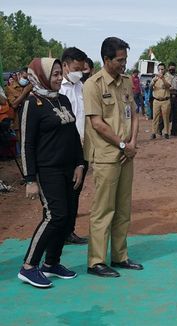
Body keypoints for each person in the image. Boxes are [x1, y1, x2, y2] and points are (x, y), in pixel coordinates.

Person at [17, 57, 84, 288]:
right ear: (42, 76)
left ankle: (51, 263)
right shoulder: (31, 104)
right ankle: (28, 267)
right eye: (54, 74)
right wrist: (29, 179)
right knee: (54, 216)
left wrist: (79, 164)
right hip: (48, 171)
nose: (58, 78)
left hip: (69, 169)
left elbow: (73, 135)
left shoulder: (62, 99)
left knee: (66, 218)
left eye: (59, 73)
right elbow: (26, 144)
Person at [83, 37, 143, 278]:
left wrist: (133, 144)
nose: (124, 64)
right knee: (103, 209)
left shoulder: (126, 82)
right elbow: (97, 123)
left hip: (126, 155)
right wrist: (122, 144)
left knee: (122, 208)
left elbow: (135, 115)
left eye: (125, 59)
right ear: (106, 59)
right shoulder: (93, 85)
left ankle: (120, 256)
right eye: (120, 60)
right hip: (107, 156)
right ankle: (96, 261)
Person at [59, 47, 89, 245]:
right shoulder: (57, 89)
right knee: (59, 194)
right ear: (65, 66)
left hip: (81, 149)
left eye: (82, 69)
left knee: (75, 191)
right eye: (76, 68)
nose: (79, 73)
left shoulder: (81, 87)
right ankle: (56, 233)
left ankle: (69, 231)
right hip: (61, 150)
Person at [6, 67, 32, 154]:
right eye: (24, 78)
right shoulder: (10, 88)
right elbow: (14, 104)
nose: (26, 80)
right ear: (19, 75)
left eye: (28, 78)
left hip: (32, 118)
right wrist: (25, 92)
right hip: (19, 119)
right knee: (22, 145)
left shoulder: (32, 86)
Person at [150, 63, 171, 139]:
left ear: (165, 69)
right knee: (155, 117)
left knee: (166, 117)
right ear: (157, 69)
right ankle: (153, 133)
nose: (161, 70)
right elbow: (150, 87)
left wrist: (163, 79)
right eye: (159, 69)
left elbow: (168, 86)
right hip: (156, 100)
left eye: (162, 69)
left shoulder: (168, 77)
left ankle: (166, 132)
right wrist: (153, 82)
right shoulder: (155, 77)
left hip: (165, 100)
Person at [167, 62, 177, 136]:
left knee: (176, 114)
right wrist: (170, 88)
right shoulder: (165, 76)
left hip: (176, 96)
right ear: (168, 68)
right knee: (166, 114)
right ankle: (160, 130)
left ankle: (174, 132)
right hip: (167, 96)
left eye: (173, 69)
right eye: (171, 69)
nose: (172, 70)